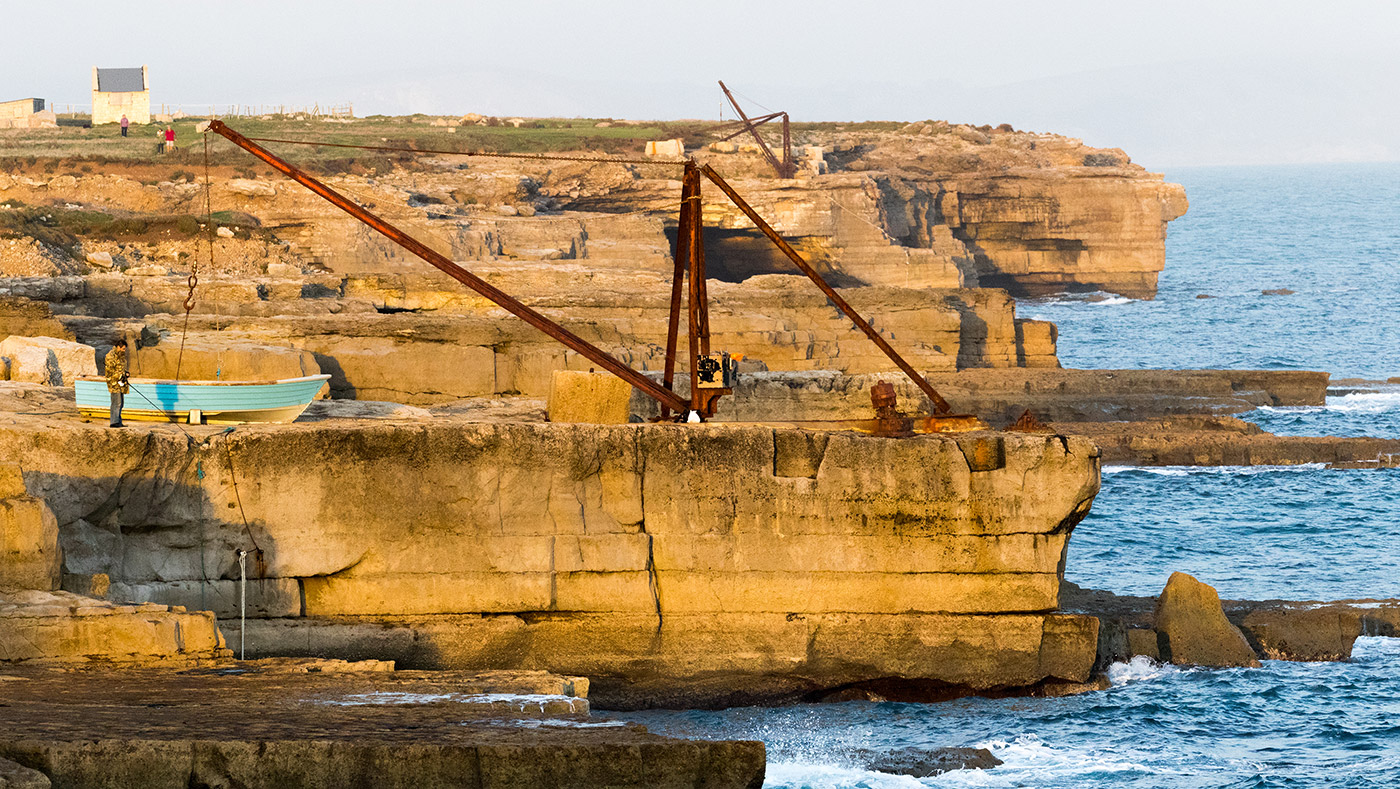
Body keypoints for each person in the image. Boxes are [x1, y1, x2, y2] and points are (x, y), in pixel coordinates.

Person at [105, 339, 130, 428]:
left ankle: (118, 421)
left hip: (120, 383)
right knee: (116, 402)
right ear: (118, 347)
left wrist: (125, 373)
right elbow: (109, 371)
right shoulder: (110, 356)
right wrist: (120, 377)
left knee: (121, 403)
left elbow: (121, 368)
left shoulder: (120, 355)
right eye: (123, 349)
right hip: (114, 383)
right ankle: (114, 422)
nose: (124, 350)